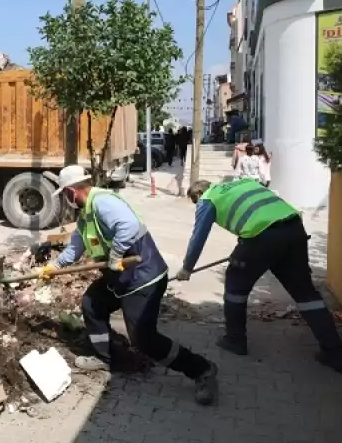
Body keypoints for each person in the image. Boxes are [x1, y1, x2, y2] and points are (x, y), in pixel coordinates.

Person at [40, 165, 219, 405]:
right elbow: (75, 247)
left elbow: (129, 226)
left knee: (144, 340)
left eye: (64, 194)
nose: (65, 199)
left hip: (144, 278)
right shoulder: (86, 215)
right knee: (92, 303)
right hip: (120, 279)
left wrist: (114, 255)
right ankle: (104, 357)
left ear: (72, 191)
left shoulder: (103, 202)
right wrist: (55, 267)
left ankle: (202, 370)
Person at [175, 179, 342, 374]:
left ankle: (235, 340)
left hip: (260, 236)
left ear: (198, 194)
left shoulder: (208, 199)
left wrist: (187, 268)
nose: (196, 204)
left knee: (235, 285)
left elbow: (199, 235)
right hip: (294, 229)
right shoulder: (243, 183)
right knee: (305, 293)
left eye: (194, 201)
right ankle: (335, 353)